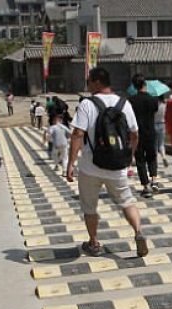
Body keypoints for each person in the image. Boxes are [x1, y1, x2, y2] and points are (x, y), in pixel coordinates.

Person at [66, 67, 148, 258]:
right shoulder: (124, 104)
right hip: (117, 166)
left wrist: (70, 163)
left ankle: (94, 242)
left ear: (96, 82)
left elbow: (78, 133)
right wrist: (128, 158)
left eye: (88, 81)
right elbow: (134, 135)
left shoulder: (87, 104)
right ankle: (138, 232)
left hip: (90, 167)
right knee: (127, 201)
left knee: (89, 206)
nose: (87, 85)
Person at [129, 74, 160, 198]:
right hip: (150, 132)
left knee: (140, 159)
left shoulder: (131, 100)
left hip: (137, 133)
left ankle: (145, 186)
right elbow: (155, 111)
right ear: (144, 84)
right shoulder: (153, 100)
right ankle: (154, 180)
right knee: (152, 156)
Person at [154, 95, 168, 168]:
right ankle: (164, 157)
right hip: (162, 124)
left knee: (155, 145)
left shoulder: (154, 105)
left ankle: (155, 161)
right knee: (161, 144)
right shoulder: (164, 105)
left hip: (154, 124)